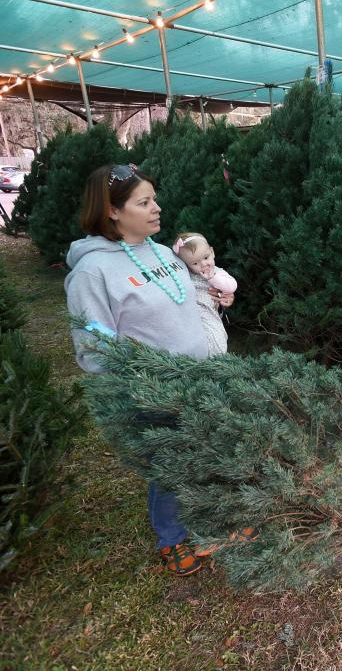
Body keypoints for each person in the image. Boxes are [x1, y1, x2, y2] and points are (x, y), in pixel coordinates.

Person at [64, 163, 235, 576]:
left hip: (202, 375)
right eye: (144, 202)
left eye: (154, 198)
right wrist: (145, 385)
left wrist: (213, 299)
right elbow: (94, 349)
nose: (157, 208)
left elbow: (184, 302)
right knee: (172, 464)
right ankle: (171, 537)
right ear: (113, 211)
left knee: (209, 451)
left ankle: (212, 522)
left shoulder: (163, 254)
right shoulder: (92, 272)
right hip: (156, 391)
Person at [172, 232, 237, 356]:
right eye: (195, 263)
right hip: (190, 313)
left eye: (206, 257)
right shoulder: (187, 275)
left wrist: (213, 278)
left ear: (212, 252)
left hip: (208, 312)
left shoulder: (217, 272)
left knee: (216, 336)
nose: (203, 264)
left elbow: (231, 286)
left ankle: (217, 359)